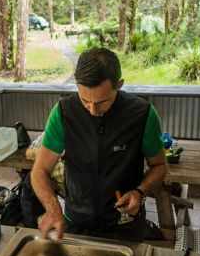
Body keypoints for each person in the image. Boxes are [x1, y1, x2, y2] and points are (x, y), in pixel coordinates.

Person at [30, 47, 167, 242]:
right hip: (75, 223)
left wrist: (140, 191)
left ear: (119, 85)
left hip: (125, 224)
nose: (93, 110)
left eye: (102, 102)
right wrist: (52, 209)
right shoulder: (63, 112)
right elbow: (40, 170)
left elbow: (160, 166)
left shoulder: (142, 114)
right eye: (85, 100)